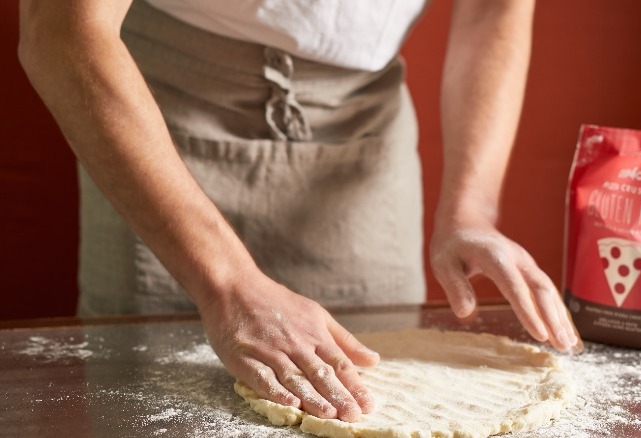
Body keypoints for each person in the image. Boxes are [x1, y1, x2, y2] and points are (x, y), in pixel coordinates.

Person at [19, 0, 578, 423]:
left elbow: (492, 11)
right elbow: (62, 29)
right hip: (162, 119)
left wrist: (470, 208)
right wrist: (227, 285)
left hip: (361, 141)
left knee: (372, 398)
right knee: (155, 407)